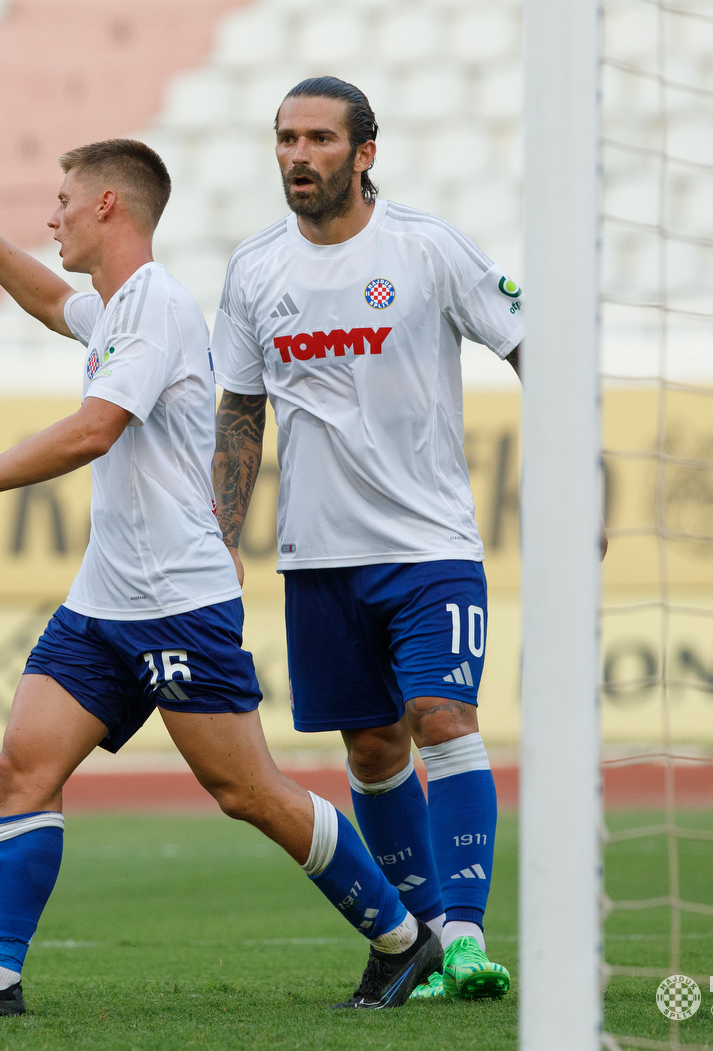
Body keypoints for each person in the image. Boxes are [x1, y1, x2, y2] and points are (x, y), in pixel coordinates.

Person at [0, 137, 443, 1018]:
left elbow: (92, 430)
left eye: (63, 199)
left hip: (178, 599)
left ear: (108, 206)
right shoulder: (115, 308)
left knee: (245, 792)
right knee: (24, 763)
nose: (52, 215)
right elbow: (47, 301)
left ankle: (406, 941)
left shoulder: (158, 308)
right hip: (106, 598)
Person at [209, 77, 537, 1002]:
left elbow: (532, 342)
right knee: (372, 751)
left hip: (430, 545)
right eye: (284, 138)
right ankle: (425, 937)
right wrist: (220, 534)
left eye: (317, 138)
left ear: (364, 153)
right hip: (318, 556)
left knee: (442, 719)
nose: (297, 155)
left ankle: (466, 936)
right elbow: (240, 410)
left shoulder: (427, 250)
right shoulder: (254, 269)